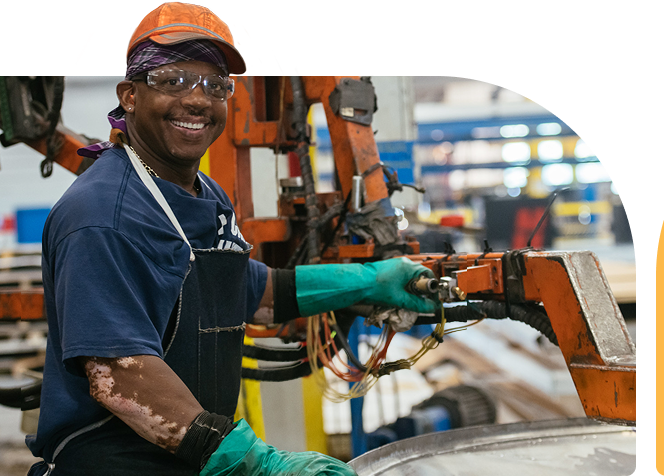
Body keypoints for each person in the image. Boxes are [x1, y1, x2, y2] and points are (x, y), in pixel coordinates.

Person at [24, 2, 437, 475]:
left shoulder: (205, 194)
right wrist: (256, 462)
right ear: (130, 95)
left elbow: (242, 289)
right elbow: (119, 375)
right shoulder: (102, 215)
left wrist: (366, 281)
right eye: (173, 80)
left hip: (187, 458)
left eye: (215, 85)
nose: (198, 100)